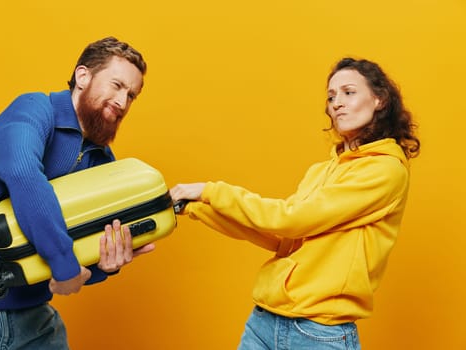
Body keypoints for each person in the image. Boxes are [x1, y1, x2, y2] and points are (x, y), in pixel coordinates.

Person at [170, 57, 420, 350]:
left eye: (348, 92)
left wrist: (210, 191)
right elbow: (284, 237)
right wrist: (196, 207)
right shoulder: (321, 170)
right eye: (331, 96)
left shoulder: (384, 170)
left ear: (379, 99)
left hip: (317, 333)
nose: (337, 102)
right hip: (264, 320)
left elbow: (290, 218)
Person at [0, 36, 154, 349]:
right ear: (83, 76)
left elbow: (80, 254)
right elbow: (22, 172)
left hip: (33, 319)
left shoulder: (102, 162)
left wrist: (104, 266)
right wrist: (64, 264)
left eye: (131, 95)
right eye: (116, 85)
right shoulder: (32, 109)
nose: (123, 102)